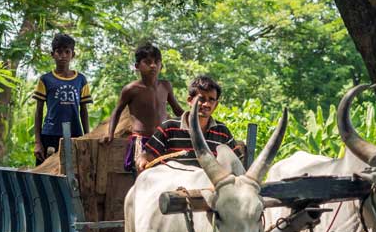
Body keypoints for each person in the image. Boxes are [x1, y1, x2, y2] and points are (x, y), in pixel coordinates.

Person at [102, 42, 183, 173]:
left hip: (163, 139)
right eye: (147, 62)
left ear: (161, 65)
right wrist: (110, 134)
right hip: (142, 140)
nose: (153, 65)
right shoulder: (131, 89)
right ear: (137, 66)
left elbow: (177, 110)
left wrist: (194, 120)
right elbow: (117, 111)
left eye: (157, 62)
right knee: (143, 176)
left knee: (166, 175)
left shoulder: (165, 86)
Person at [140, 75, 245, 171]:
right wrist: (143, 161)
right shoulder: (169, 128)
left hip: (209, 189)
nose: (206, 104)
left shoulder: (222, 131)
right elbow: (148, 158)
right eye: (201, 99)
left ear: (216, 105)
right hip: (173, 188)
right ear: (190, 100)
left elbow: (236, 162)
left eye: (211, 100)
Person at [33, 33, 91, 165]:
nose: (63, 55)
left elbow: (84, 111)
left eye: (67, 51)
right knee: (45, 173)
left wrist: (88, 137)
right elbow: (38, 112)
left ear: (73, 54)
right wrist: (38, 142)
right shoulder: (45, 79)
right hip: (50, 134)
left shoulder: (80, 79)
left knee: (73, 172)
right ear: (52, 54)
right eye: (59, 52)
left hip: (74, 134)